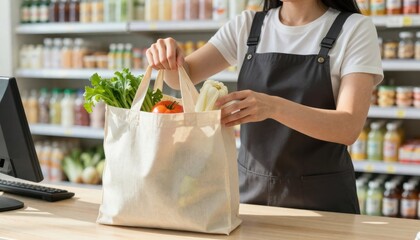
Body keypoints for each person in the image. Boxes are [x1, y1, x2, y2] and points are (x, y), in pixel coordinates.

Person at [146, 0, 383, 214]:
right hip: (250, 195)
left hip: (323, 202)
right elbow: (180, 79)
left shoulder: (354, 28)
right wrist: (168, 57)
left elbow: (348, 127)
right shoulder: (248, 25)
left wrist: (273, 107)